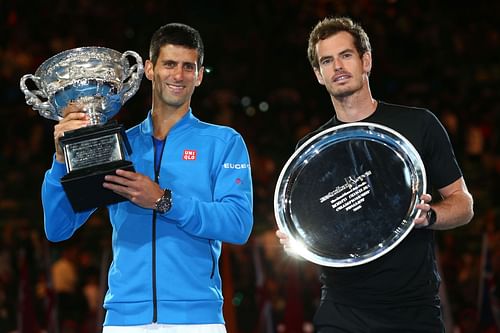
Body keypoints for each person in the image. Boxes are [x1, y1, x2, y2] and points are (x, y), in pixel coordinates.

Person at [41, 23, 253, 332]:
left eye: (187, 67)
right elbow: (58, 228)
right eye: (169, 64)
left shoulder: (223, 142)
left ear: (200, 74)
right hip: (124, 319)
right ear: (150, 69)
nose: (178, 75)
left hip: (196, 320)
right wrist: (61, 159)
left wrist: (165, 201)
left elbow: (238, 224)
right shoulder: (117, 145)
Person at [275, 17, 474, 332]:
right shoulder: (311, 150)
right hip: (342, 310)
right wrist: (298, 238)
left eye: (346, 55)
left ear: (365, 60)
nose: (337, 66)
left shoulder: (419, 125)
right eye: (327, 60)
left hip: (412, 308)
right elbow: (313, 224)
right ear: (318, 75)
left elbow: (463, 204)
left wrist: (430, 216)